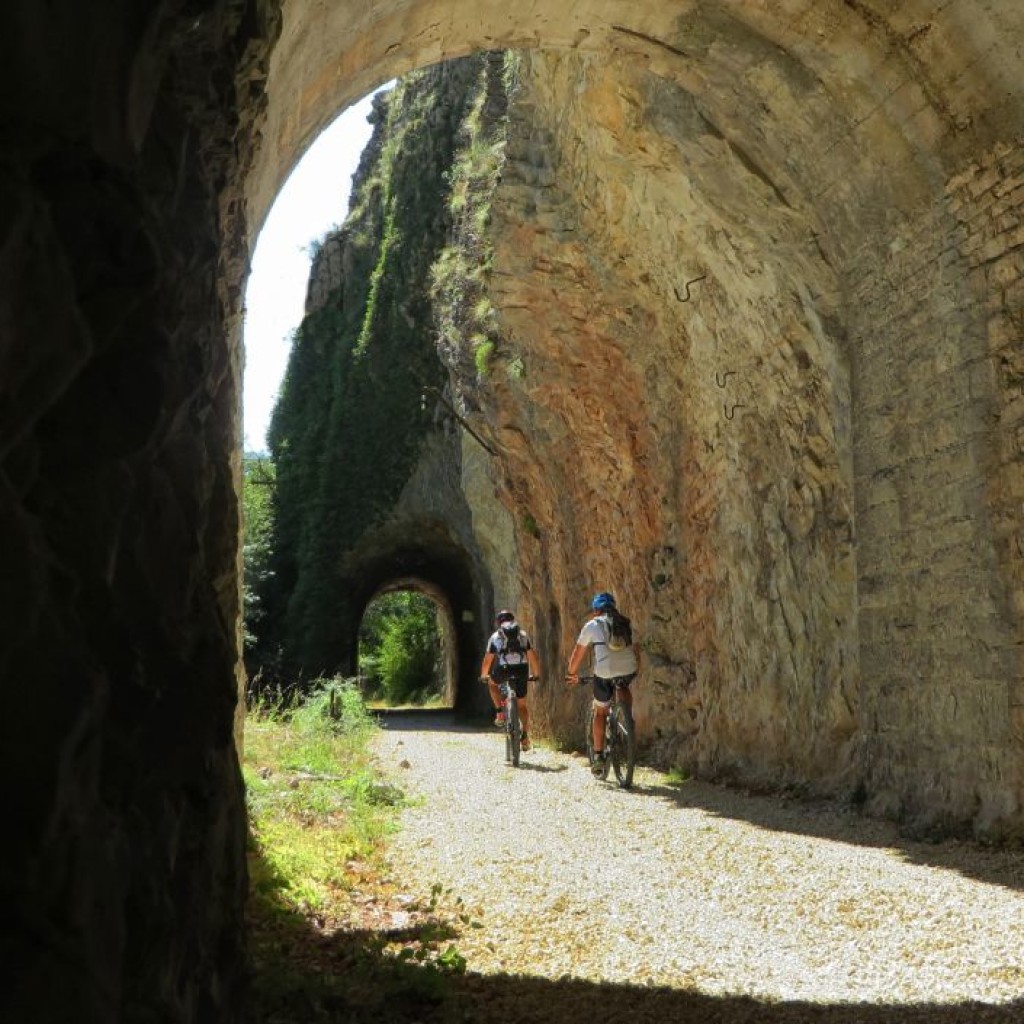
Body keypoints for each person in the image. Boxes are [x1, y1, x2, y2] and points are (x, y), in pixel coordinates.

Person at [565, 591, 639, 774]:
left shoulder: (593, 624)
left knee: (600, 711)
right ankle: (627, 717)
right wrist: (635, 668)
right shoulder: (625, 622)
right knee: (623, 683)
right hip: (629, 668)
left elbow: (578, 652)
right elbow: (636, 649)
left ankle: (598, 756)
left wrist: (571, 673)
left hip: (604, 672)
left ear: (596, 610)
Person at [480, 609, 540, 751]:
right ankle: (525, 736)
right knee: (522, 706)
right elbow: (532, 656)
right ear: (513, 620)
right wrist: (536, 674)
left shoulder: (495, 636)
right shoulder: (523, 635)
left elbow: (488, 659)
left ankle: (500, 712)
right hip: (522, 670)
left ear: (499, 623)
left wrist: (484, 675)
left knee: (492, 683)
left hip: (504, 669)